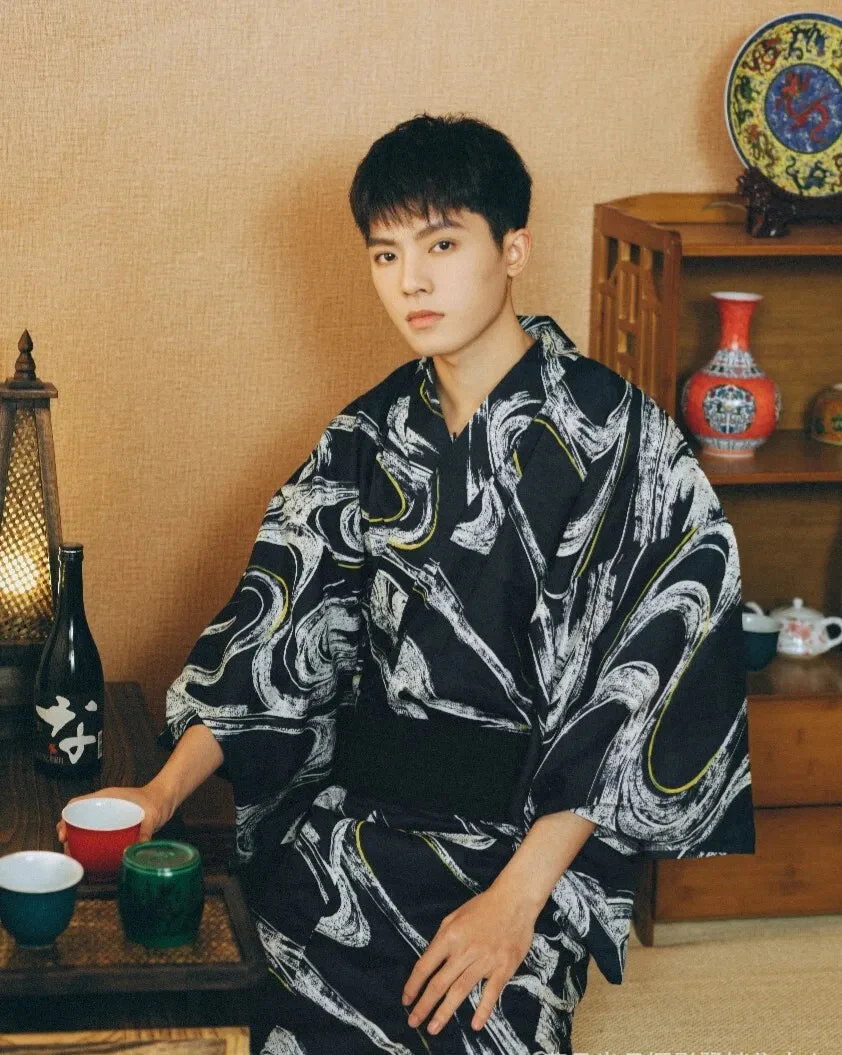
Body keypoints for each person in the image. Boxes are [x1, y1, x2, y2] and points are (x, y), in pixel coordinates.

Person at [59, 112, 755, 1054]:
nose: (411, 281)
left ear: (513, 249)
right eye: (386, 255)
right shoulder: (365, 436)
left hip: (523, 851)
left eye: (441, 244)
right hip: (358, 825)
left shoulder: (620, 438)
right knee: (239, 1020)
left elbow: (637, 690)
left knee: (471, 1026)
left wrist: (516, 903)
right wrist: (160, 792)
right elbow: (273, 635)